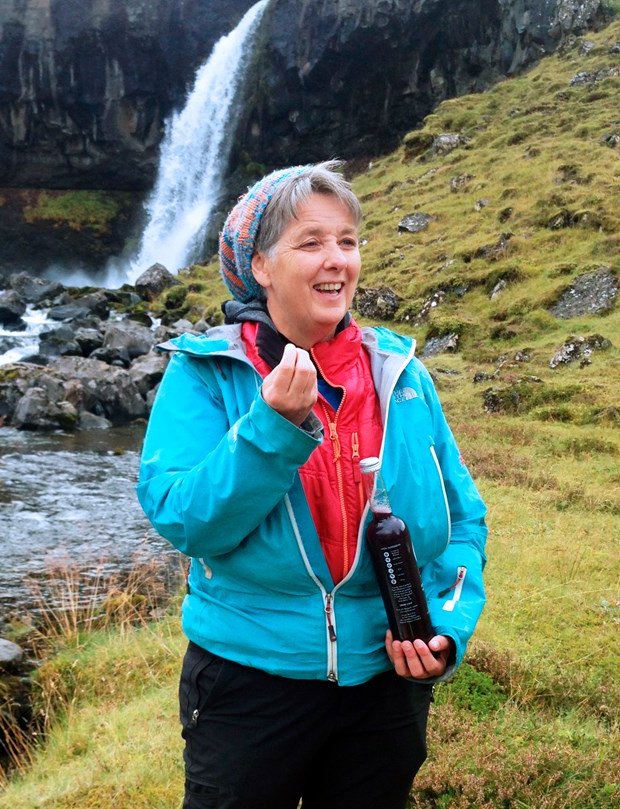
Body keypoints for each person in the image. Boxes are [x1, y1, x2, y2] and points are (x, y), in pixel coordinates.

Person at [136, 161, 488, 809]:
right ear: (261, 266)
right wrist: (270, 427)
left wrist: (447, 624)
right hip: (247, 682)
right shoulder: (208, 372)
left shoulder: (401, 375)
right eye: (311, 242)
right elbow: (184, 519)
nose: (337, 260)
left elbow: (463, 520)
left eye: (347, 241)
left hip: (385, 684)